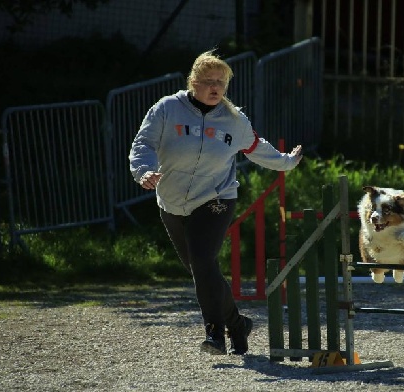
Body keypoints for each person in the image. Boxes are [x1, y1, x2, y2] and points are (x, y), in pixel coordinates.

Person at [129, 50, 303, 355]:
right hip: (171, 201)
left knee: (203, 261)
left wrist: (285, 162)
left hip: (216, 197)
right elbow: (143, 143)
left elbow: (254, 146)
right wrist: (143, 171)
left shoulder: (234, 119)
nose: (215, 88)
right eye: (209, 81)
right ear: (193, 82)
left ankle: (215, 334)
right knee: (200, 269)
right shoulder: (167, 108)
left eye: (221, 83)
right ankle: (237, 324)